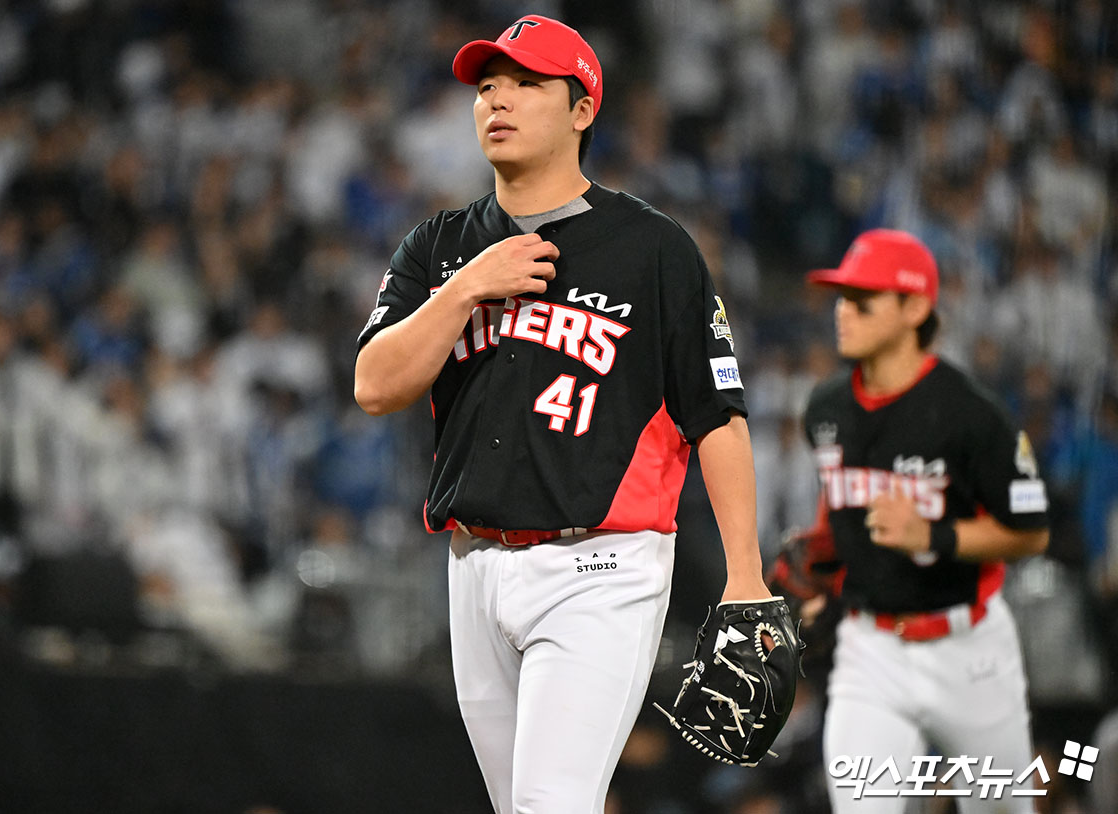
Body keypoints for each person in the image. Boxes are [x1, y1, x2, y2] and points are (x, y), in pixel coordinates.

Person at [354, 14, 772, 813]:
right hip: (473, 568)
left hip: (602, 568)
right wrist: (468, 286)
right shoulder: (439, 247)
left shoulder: (653, 249)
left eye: (526, 84)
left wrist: (745, 579)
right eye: (486, 87)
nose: (496, 102)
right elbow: (376, 384)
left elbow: (716, 415)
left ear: (582, 109)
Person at [800, 229, 1050, 812]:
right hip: (870, 651)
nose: (843, 313)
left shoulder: (972, 415)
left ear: (915, 309)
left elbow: (1032, 532)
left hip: (969, 651)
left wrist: (933, 536)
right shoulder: (826, 407)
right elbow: (837, 506)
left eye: (863, 301)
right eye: (841, 298)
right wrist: (820, 565)